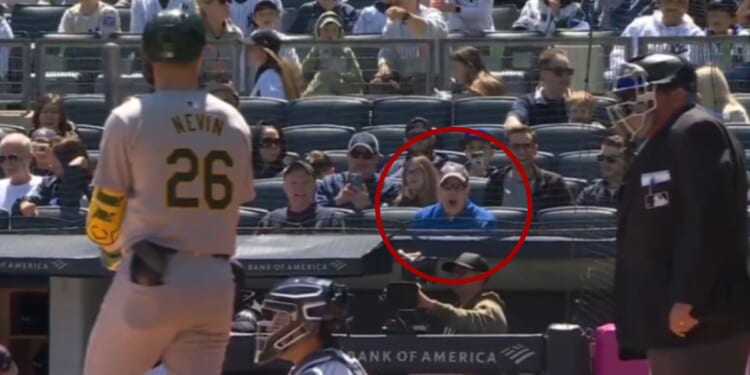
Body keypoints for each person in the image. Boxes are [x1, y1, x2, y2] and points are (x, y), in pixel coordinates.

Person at [82, 9, 255, 375]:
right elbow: (233, 206)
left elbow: (102, 218)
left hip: (153, 273)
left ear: (147, 57)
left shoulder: (130, 117)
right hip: (215, 283)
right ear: (202, 53)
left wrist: (113, 252)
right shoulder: (234, 121)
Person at [609, 52, 750, 374]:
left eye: (640, 94)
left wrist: (688, 298)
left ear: (675, 94)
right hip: (673, 320)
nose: (631, 104)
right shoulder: (663, 139)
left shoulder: (696, 130)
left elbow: (708, 222)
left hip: (702, 319)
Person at [255, 276, 369, 375]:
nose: (271, 327)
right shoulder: (327, 366)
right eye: (273, 316)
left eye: (281, 316)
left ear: (310, 325)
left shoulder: (325, 371)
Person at [0, 133, 42, 212]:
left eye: (12, 157)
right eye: (2, 158)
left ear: (29, 157)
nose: (7, 163)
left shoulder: (45, 187)